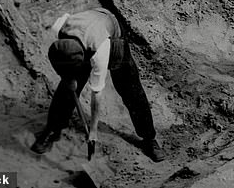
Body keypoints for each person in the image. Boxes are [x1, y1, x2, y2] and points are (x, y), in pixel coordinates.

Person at [30, 8, 165, 162]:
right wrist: (68, 79)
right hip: (86, 35)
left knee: (131, 90)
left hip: (111, 35)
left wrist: (93, 131)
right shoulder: (60, 30)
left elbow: (97, 95)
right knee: (66, 90)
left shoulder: (100, 52)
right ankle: (53, 129)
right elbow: (63, 65)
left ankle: (149, 139)